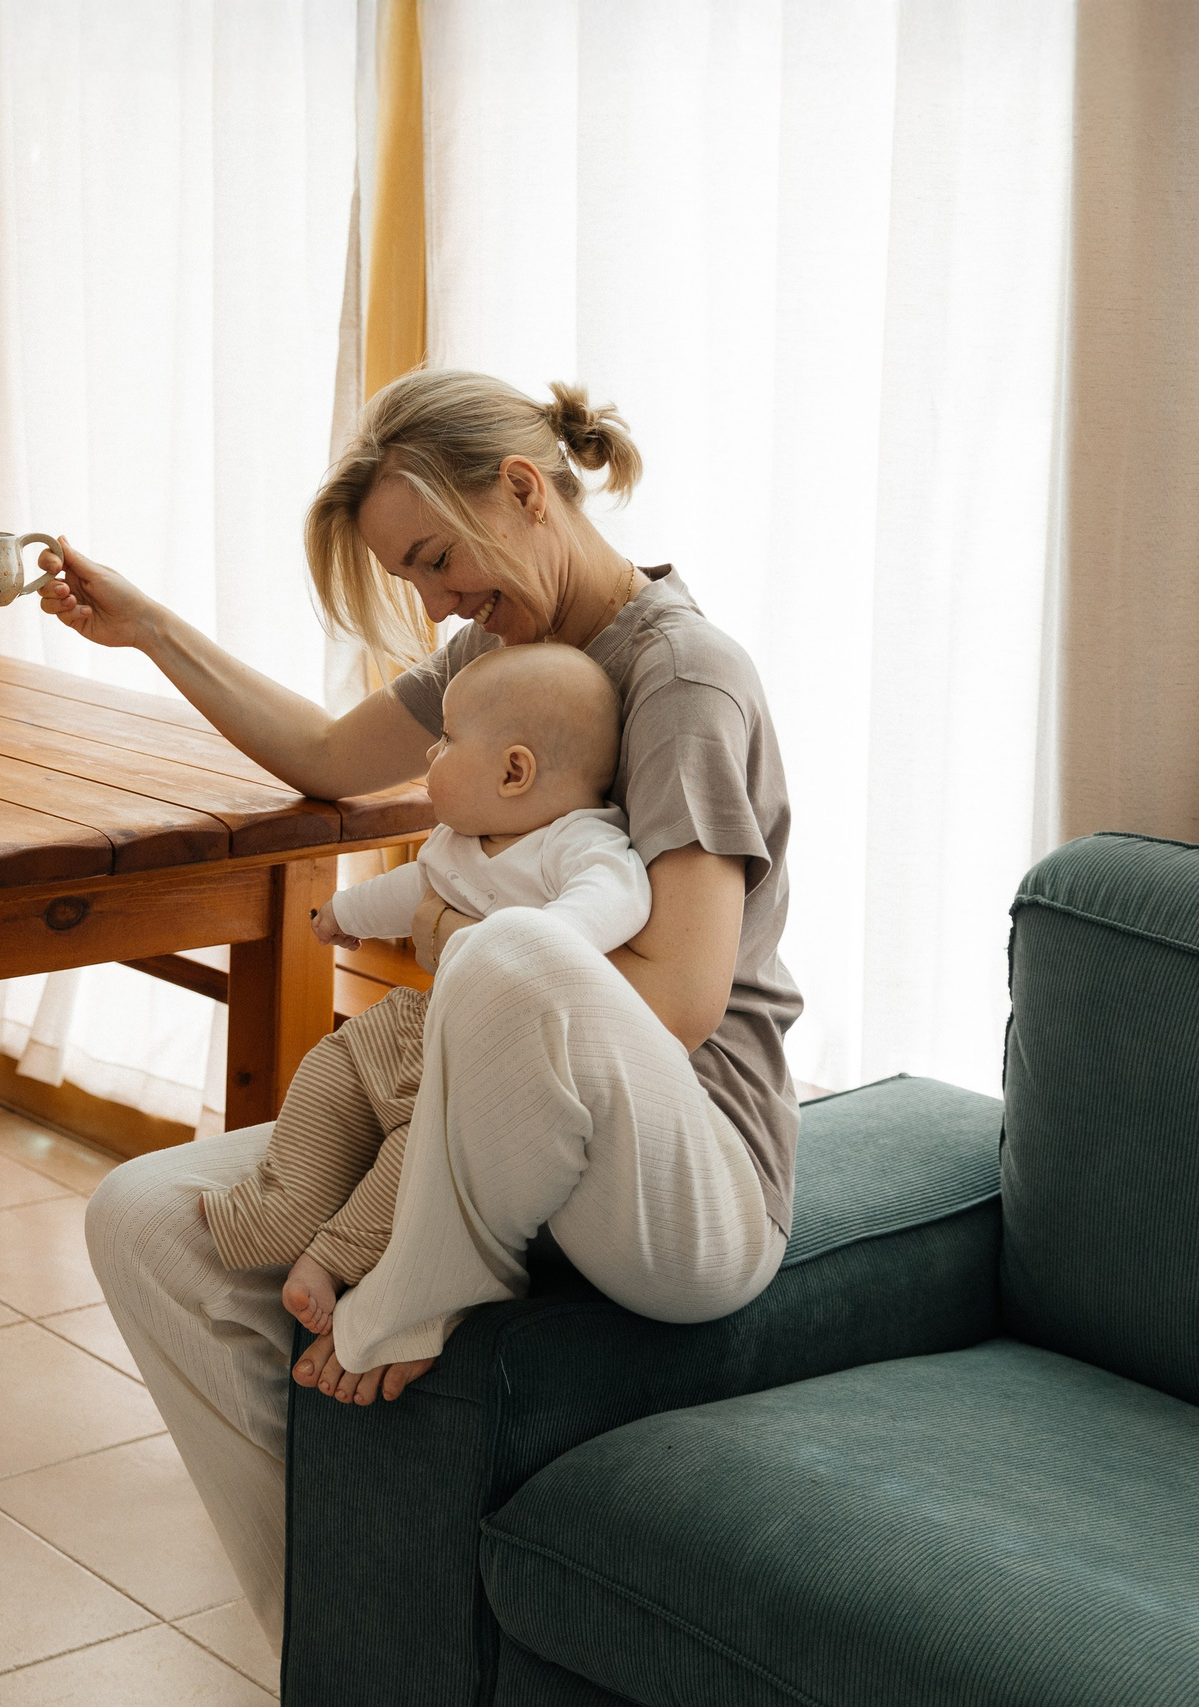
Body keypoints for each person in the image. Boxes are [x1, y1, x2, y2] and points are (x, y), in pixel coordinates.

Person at [42, 369, 800, 1644]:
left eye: (438, 559)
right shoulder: (507, 659)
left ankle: (422, 1279)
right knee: (144, 1222)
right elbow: (331, 759)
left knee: (508, 957)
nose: (437, 601)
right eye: (414, 579)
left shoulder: (681, 678)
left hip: (689, 1174)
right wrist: (149, 628)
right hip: (519, 1120)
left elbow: (674, 998)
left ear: (521, 489)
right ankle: (347, 1634)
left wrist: (462, 948)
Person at [199, 643, 649, 1339]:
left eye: (445, 741)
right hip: (405, 1026)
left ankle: (330, 1255)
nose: (431, 756)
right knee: (328, 1070)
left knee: (413, 1167)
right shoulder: (458, 840)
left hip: (466, 1063)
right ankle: (269, 1216)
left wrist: (537, 946)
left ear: (513, 770)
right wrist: (345, 914)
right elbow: (415, 889)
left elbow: (613, 899)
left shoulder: (579, 844)